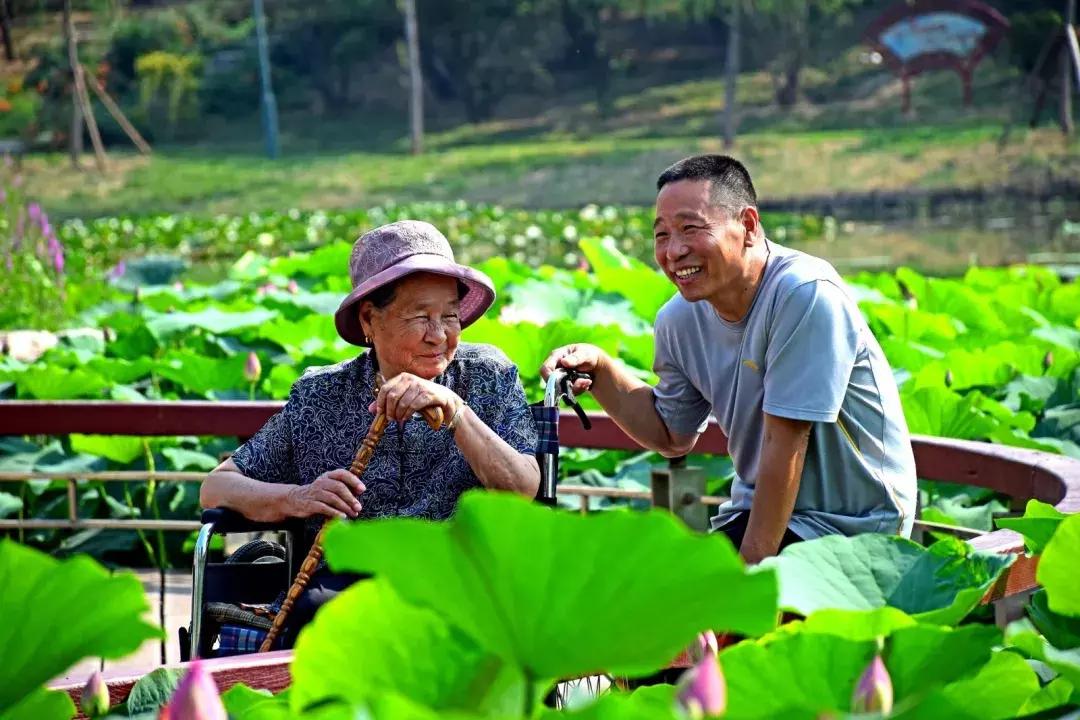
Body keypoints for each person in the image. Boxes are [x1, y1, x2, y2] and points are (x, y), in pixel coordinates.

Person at [541, 155, 916, 564]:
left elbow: (784, 443)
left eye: (690, 228)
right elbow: (671, 434)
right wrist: (601, 371)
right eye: (662, 234)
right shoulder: (679, 318)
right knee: (643, 593)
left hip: (855, 525)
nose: (674, 251)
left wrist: (745, 583)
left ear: (749, 226)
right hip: (760, 514)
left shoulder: (804, 294)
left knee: (700, 610)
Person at [201, 219, 540, 644]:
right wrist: (298, 498)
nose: (439, 336)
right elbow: (217, 487)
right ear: (369, 318)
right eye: (420, 316)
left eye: (450, 316)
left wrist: (457, 413)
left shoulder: (487, 376)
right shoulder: (321, 395)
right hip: (347, 587)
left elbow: (523, 486)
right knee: (322, 614)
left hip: (461, 580)